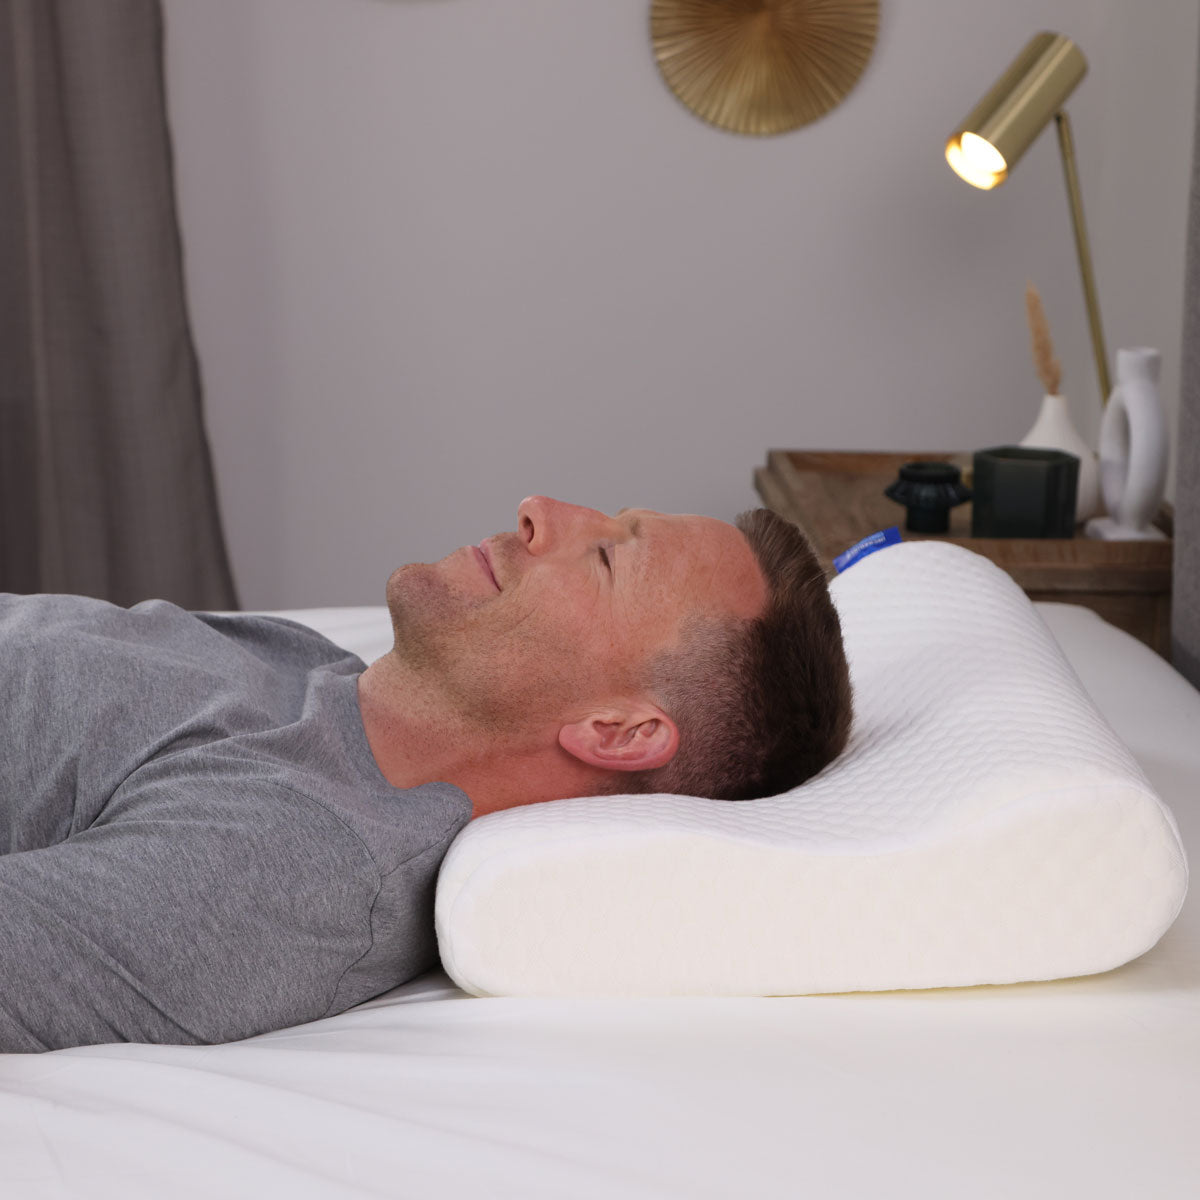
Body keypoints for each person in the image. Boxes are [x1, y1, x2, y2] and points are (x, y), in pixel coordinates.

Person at [0, 496, 850, 1052]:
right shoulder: (326, 676)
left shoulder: (289, 861)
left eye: (602, 559)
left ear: (618, 732)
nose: (538, 511)